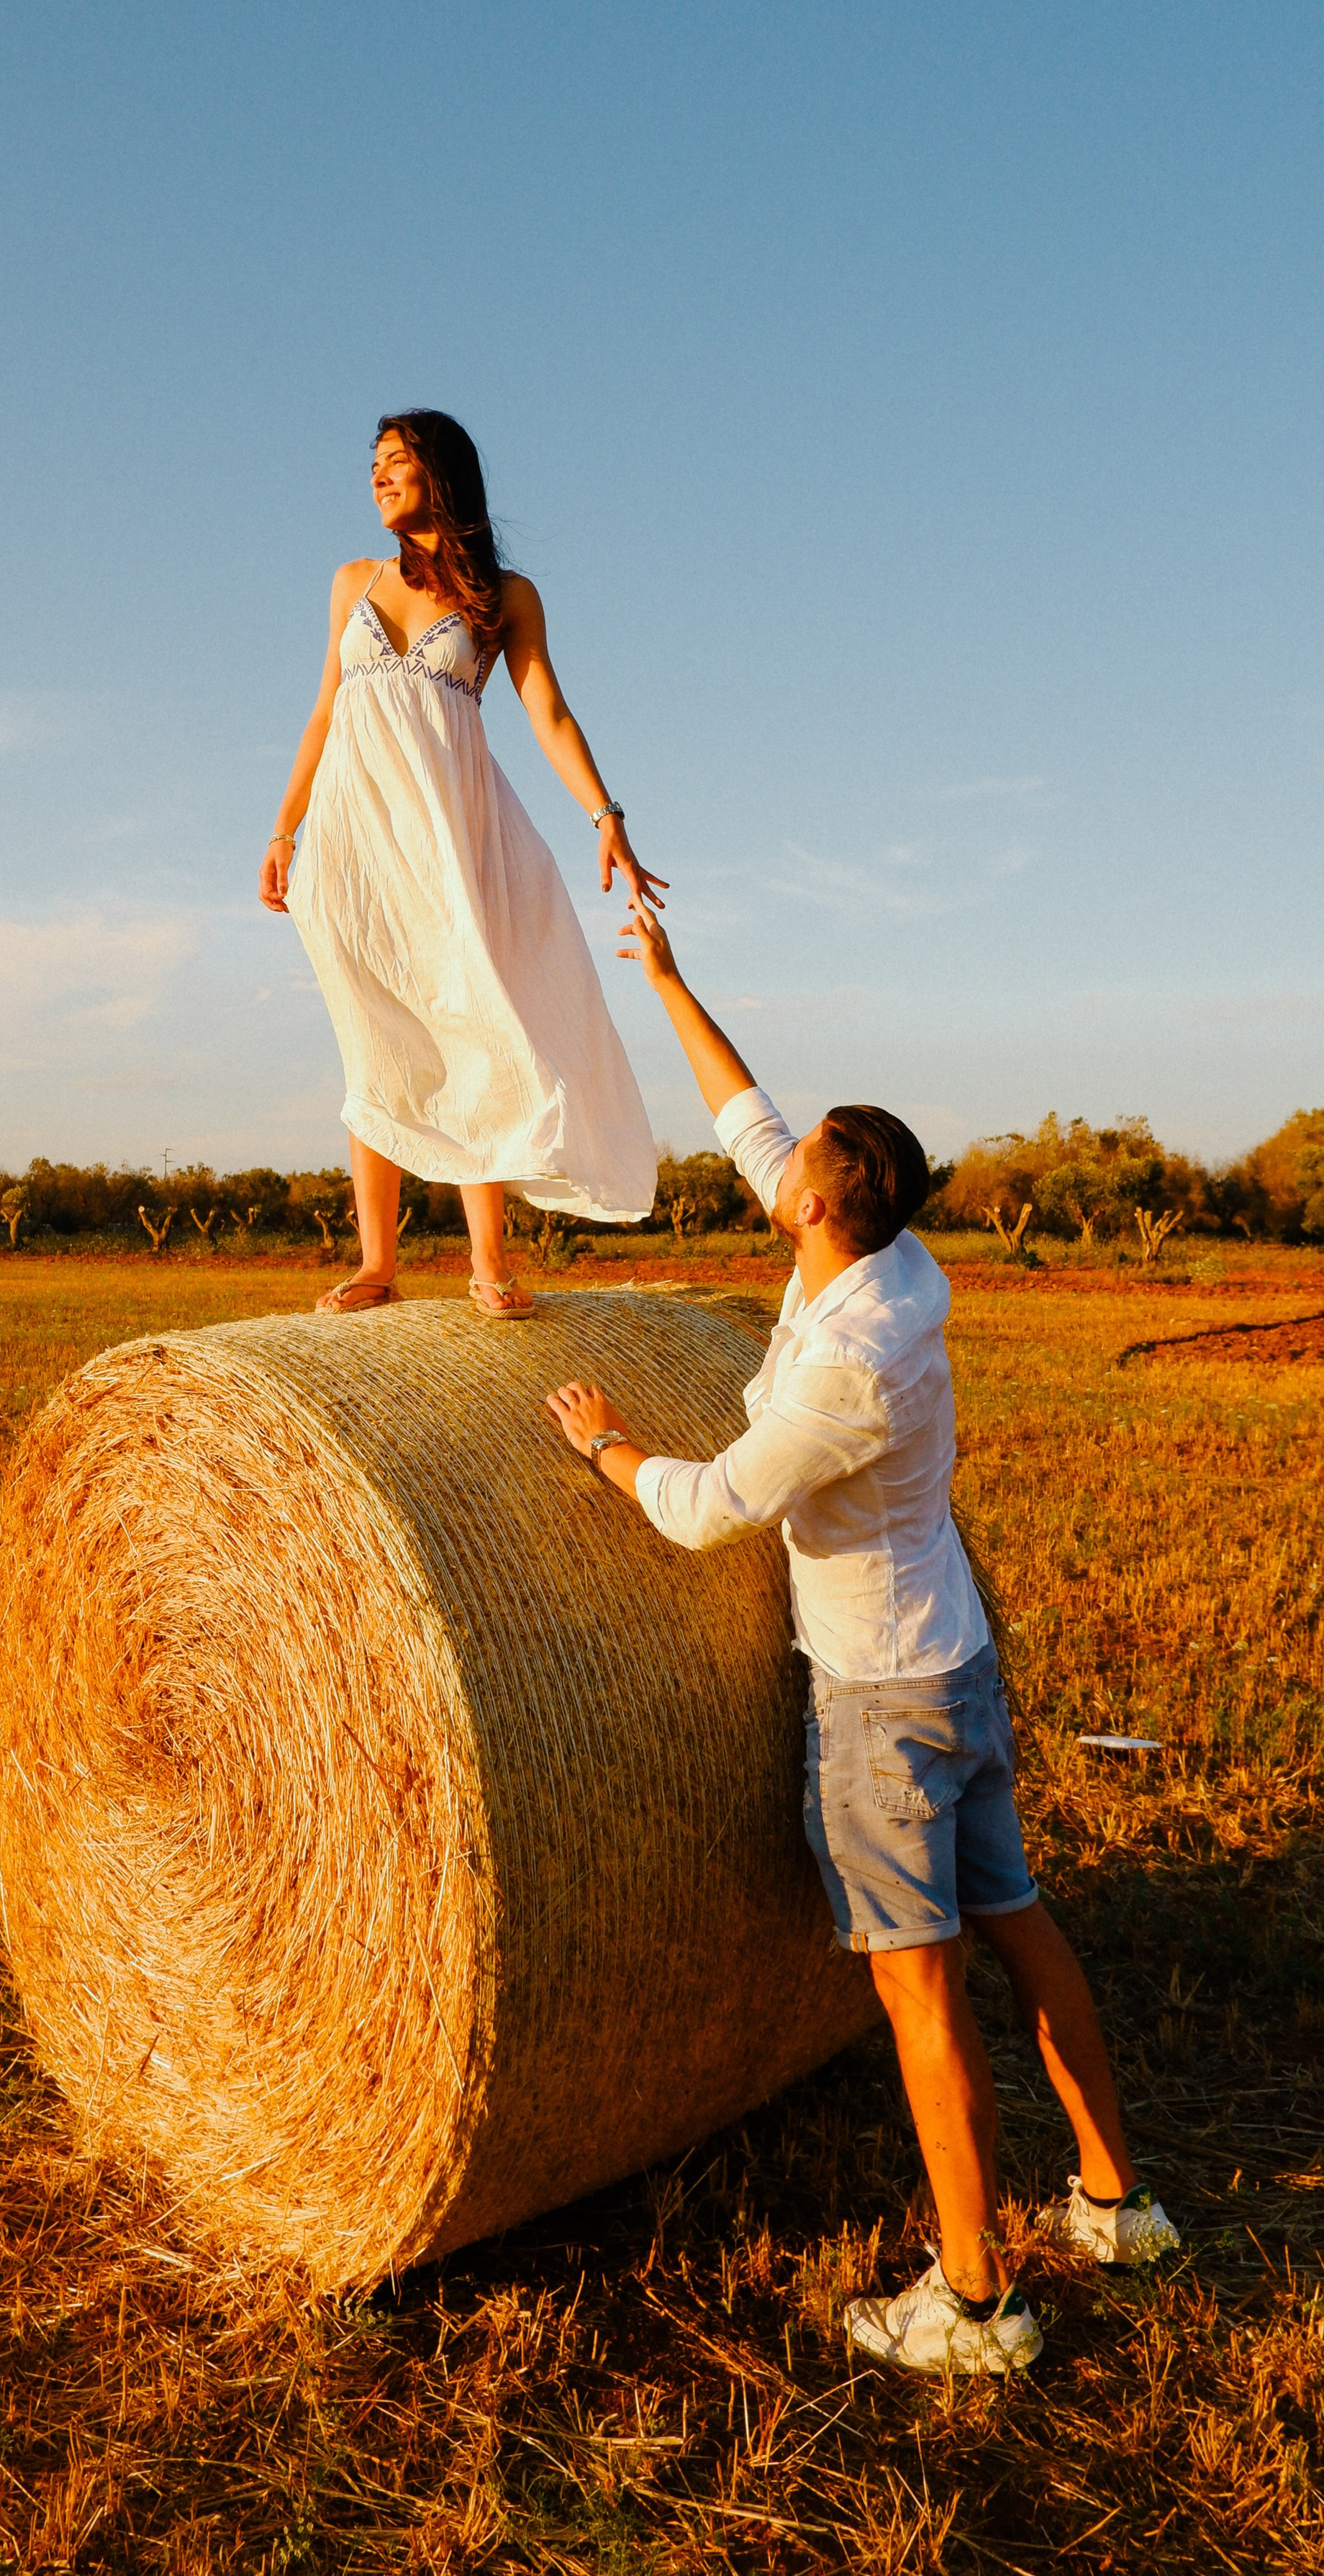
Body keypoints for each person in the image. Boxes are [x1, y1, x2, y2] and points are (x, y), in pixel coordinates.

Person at [546, 905, 1179, 2375]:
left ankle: (972, 2302)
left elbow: (710, 1510)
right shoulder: (888, 1255)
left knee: (919, 1985)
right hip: (954, 1654)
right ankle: (1116, 2199)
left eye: (800, 1160)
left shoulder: (843, 1365)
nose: (779, 1157)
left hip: (886, 1696)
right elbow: (744, 1109)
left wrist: (607, 1451)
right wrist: (664, 976)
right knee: (1018, 1915)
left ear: (818, 1208)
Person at [260, 412, 660, 1317]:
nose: (378, 477)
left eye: (397, 461)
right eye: (373, 464)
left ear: (442, 474)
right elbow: (324, 710)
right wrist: (285, 830)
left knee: (472, 1022)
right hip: (354, 844)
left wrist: (606, 815)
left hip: (450, 834)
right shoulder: (350, 582)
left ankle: (488, 1262)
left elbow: (548, 713)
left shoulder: (505, 595)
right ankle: (377, 1264)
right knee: (373, 1036)